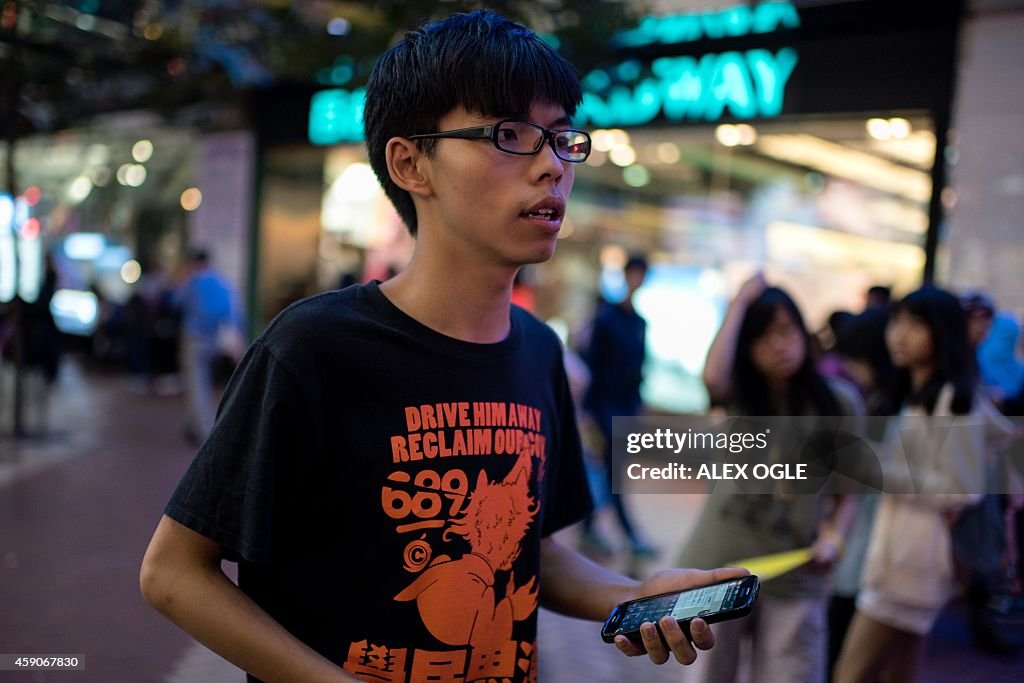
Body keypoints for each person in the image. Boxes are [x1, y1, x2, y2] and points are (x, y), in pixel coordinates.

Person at [139, 11, 745, 683]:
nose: (551, 166)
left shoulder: (539, 352)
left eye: (563, 137)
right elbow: (173, 571)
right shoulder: (314, 347)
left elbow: (527, 552)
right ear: (410, 163)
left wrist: (629, 596)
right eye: (509, 134)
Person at [679, 274, 863, 683]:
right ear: (748, 350)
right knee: (707, 675)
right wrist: (739, 303)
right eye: (763, 338)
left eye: (786, 331)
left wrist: (834, 537)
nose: (779, 345)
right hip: (718, 568)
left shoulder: (839, 402)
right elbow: (713, 378)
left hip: (796, 574)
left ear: (803, 331)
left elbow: (848, 494)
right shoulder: (740, 397)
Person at [833, 286, 1018, 683]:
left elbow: (962, 487)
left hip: (912, 564)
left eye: (916, 324)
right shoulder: (924, 394)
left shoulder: (952, 399)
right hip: (906, 558)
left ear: (943, 332)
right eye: (897, 321)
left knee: (851, 674)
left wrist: (878, 471)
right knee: (898, 672)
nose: (899, 334)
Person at [579, 255, 657, 558]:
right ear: (626, 275)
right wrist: (588, 412)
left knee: (608, 472)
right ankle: (631, 535)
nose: (637, 279)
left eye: (642, 274)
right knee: (613, 473)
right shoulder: (606, 319)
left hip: (625, 408)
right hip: (604, 407)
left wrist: (638, 405)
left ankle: (590, 530)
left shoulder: (639, 323)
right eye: (635, 273)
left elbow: (639, 368)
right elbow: (592, 366)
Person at [175, 247, 244, 443]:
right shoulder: (222, 283)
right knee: (206, 383)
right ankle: (197, 424)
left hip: (194, 337)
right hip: (214, 338)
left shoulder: (192, 282)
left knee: (196, 384)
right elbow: (234, 314)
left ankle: (203, 429)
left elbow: (177, 302)